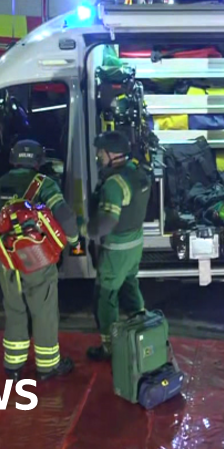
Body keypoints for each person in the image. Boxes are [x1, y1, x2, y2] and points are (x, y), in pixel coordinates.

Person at [0, 139, 81, 381]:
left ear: (14, 159)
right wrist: (75, 242)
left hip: (8, 261)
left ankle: (13, 367)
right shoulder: (45, 185)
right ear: (38, 161)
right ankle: (48, 367)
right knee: (43, 312)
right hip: (38, 261)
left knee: (14, 309)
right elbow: (65, 216)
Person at [86, 131, 153, 361]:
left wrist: (86, 231)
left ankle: (109, 348)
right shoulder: (137, 172)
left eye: (100, 153)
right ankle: (143, 333)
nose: (98, 157)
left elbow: (108, 221)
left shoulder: (114, 184)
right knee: (130, 286)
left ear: (112, 154)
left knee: (105, 297)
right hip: (135, 243)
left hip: (117, 248)